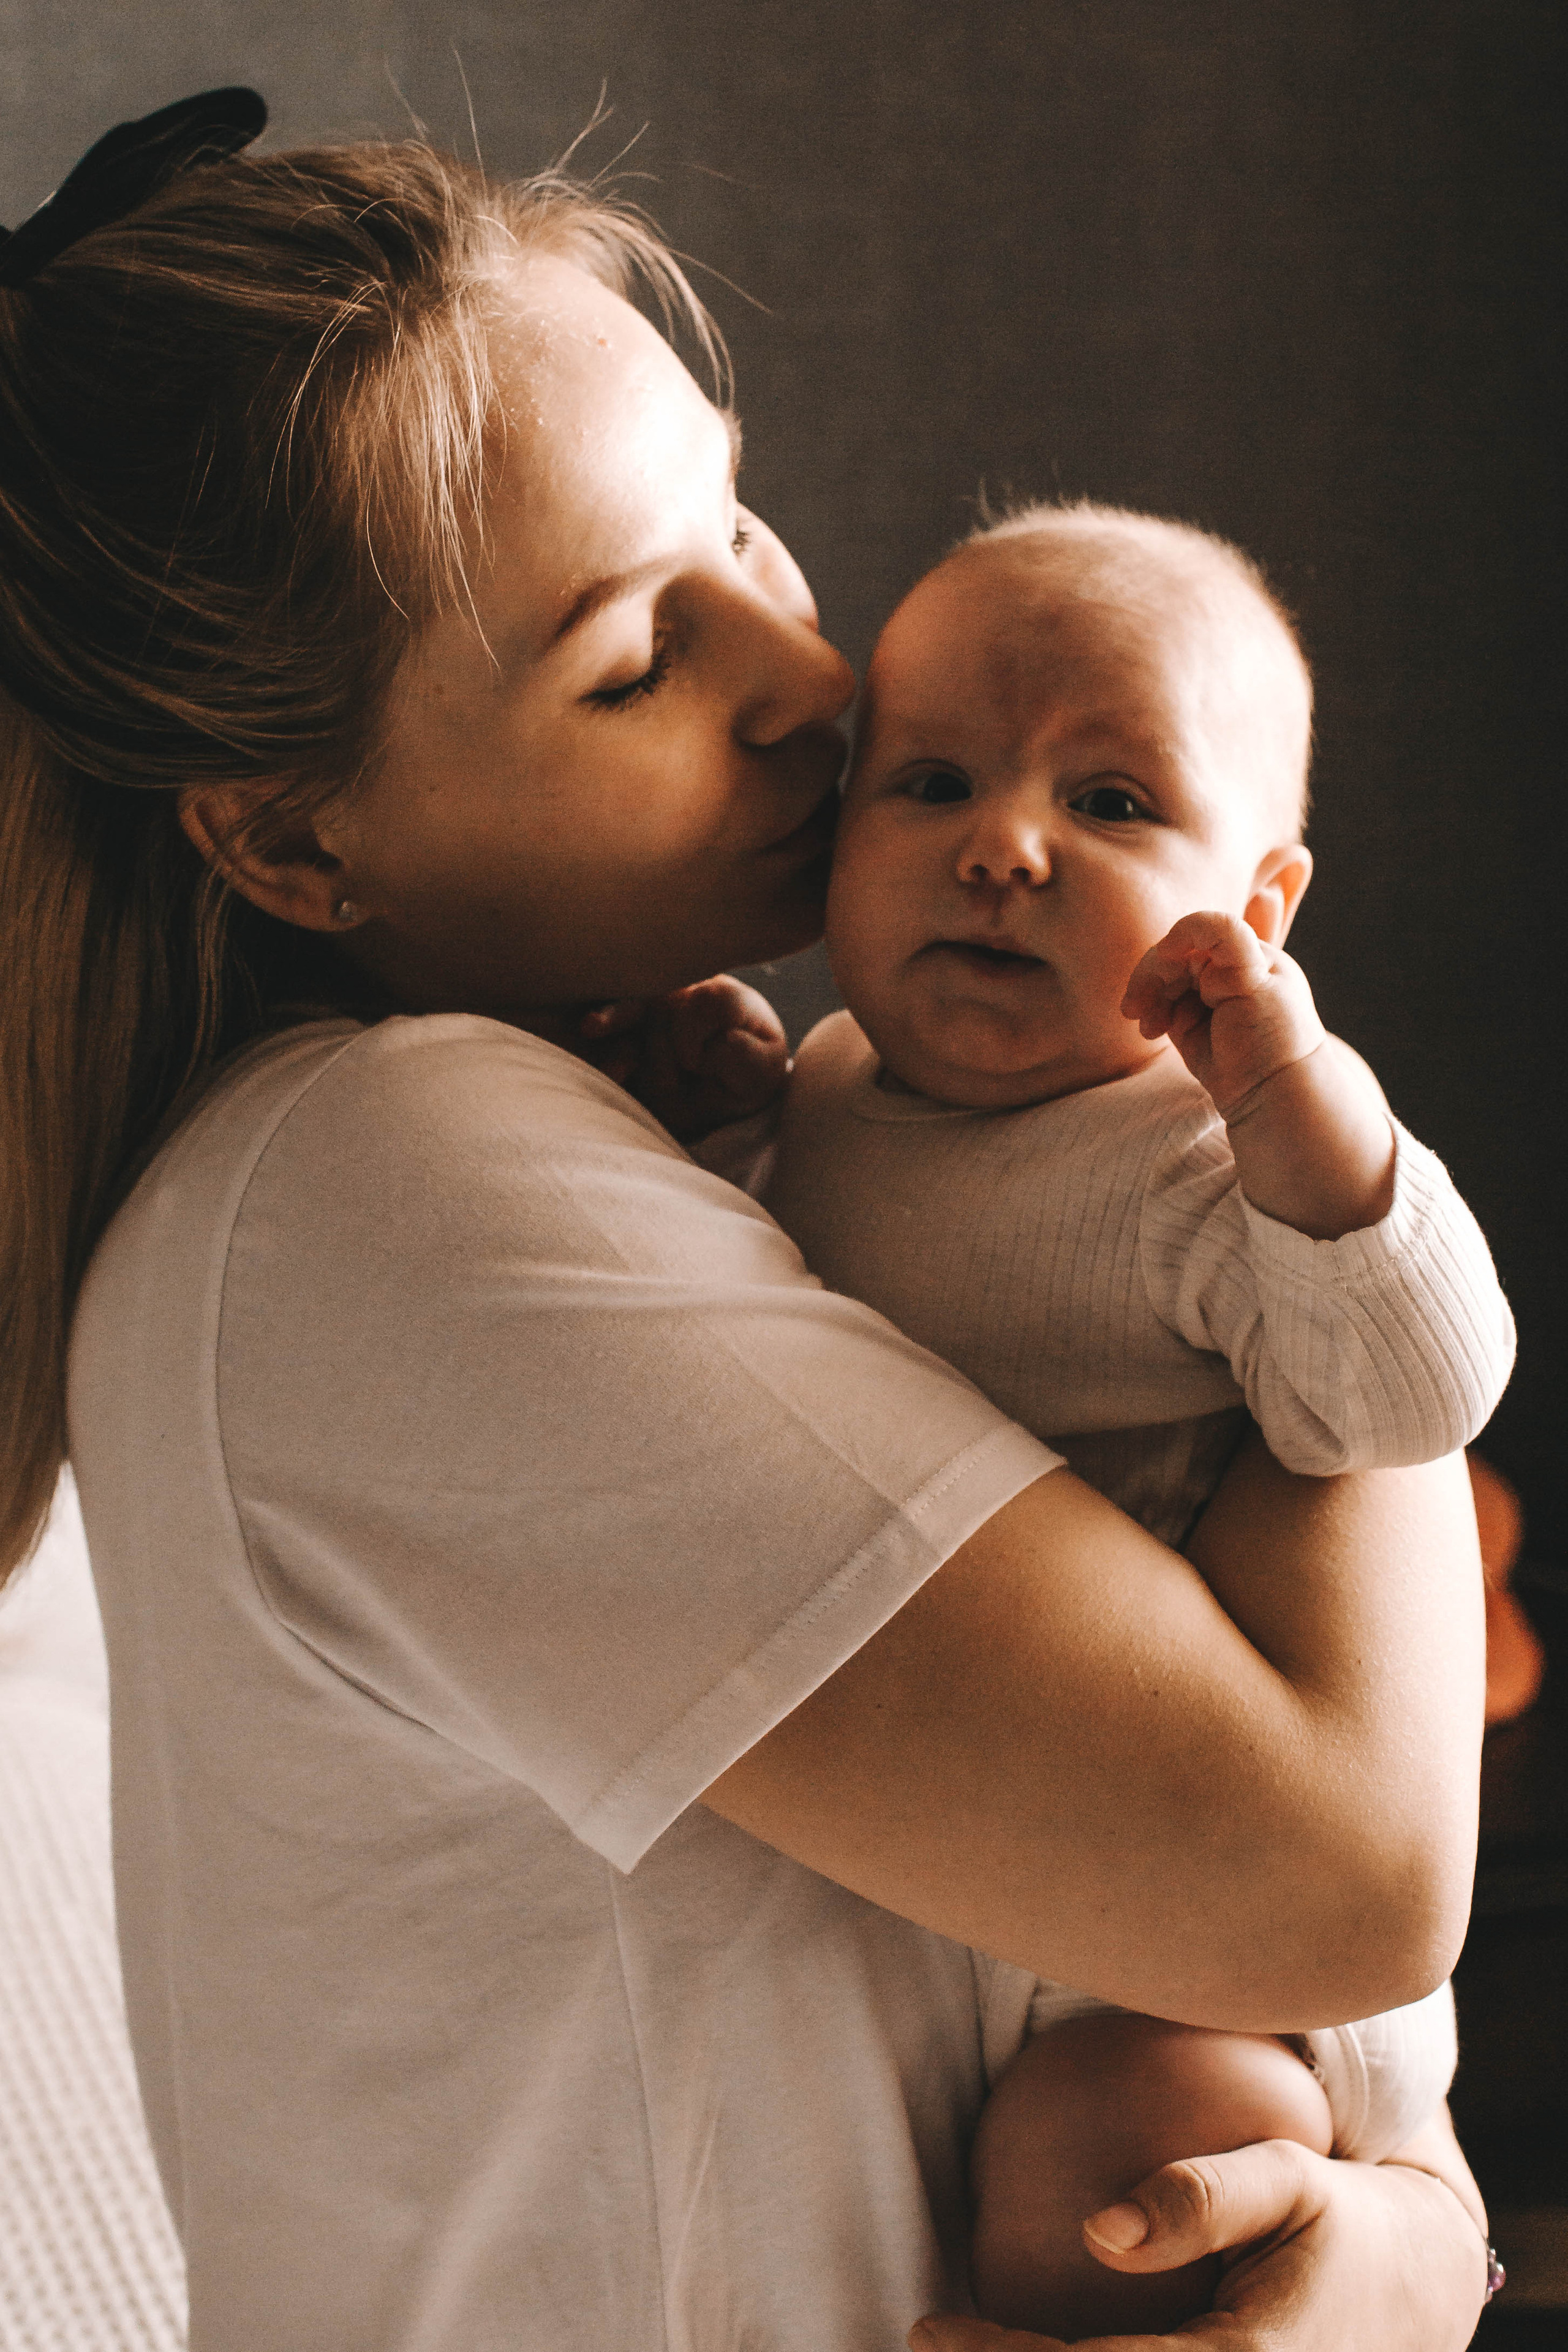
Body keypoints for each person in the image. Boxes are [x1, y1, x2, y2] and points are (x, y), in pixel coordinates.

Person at [0, 93, 1494, 2351]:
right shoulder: (384, 1191)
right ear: (296, 850)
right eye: (634, 660)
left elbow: (1127, 1956)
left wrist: (1402, 2242)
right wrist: (1270, 1147)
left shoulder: (685, 1142)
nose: (811, 675)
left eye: (744, 523)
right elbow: (1344, 1871)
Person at [734, 506, 1515, 2337]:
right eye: (927, 780)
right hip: (1041, 1853)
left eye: (1108, 803)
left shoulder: (1197, 1160)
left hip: (1215, 1964)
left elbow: (1410, 1397)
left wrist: (1316, 1140)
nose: (1000, 847)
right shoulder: (828, 1080)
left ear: (1253, 911)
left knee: (1132, 2158)